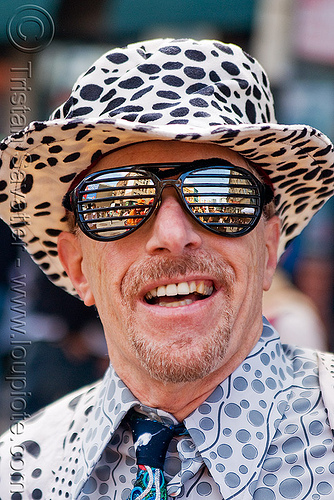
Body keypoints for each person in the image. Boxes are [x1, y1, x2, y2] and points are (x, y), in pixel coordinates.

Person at [0, 38, 333, 500]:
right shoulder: (20, 473)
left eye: (221, 193)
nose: (173, 235)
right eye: (118, 200)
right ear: (76, 266)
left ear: (270, 249)